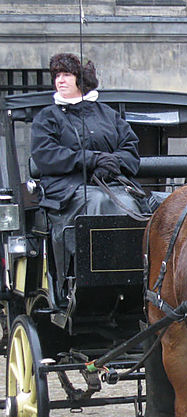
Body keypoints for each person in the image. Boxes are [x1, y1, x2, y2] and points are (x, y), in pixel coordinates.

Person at [30, 53, 145, 293]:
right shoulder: (47, 118)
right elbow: (46, 154)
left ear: (81, 80)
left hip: (112, 182)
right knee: (102, 201)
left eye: (66, 75)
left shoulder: (108, 115)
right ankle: (98, 279)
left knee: (151, 203)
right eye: (57, 76)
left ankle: (146, 272)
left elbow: (130, 149)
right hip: (66, 189)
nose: (60, 80)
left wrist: (111, 162)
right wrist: (91, 159)